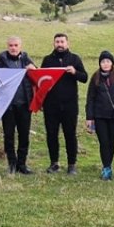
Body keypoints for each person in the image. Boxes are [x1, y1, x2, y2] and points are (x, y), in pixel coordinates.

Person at [39, 33, 88, 174]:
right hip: (51, 105)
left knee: (70, 134)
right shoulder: (47, 60)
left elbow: (84, 77)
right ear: (53, 44)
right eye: (57, 42)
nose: (59, 44)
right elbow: (41, 81)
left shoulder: (74, 58)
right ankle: (54, 163)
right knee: (51, 134)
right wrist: (41, 101)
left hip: (70, 105)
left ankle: (72, 164)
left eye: (62, 42)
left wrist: (74, 72)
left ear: (67, 43)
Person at [0, 36, 36, 175]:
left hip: (24, 105)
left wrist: (34, 69)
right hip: (8, 106)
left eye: (16, 45)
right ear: (7, 46)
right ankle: (12, 164)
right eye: (11, 45)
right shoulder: (0, 63)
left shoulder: (26, 60)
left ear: (20, 46)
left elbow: (38, 78)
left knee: (24, 136)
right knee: (9, 136)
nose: (13, 47)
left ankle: (22, 164)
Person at [84, 50, 114, 181]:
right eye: (103, 61)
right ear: (100, 63)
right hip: (99, 115)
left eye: (108, 61)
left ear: (112, 63)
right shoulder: (95, 78)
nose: (105, 64)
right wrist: (89, 117)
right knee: (104, 142)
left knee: (111, 142)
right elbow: (90, 98)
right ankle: (106, 167)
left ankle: (108, 166)